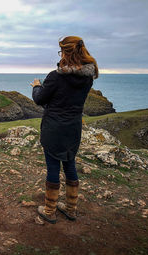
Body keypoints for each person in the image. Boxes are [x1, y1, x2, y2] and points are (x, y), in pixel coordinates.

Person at [31, 36, 98, 224]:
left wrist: (37, 86)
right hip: (73, 128)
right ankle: (71, 209)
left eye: (61, 51)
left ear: (66, 52)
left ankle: (50, 210)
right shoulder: (87, 78)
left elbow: (40, 99)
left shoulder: (55, 76)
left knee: (53, 167)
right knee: (70, 164)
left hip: (54, 128)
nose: (60, 55)